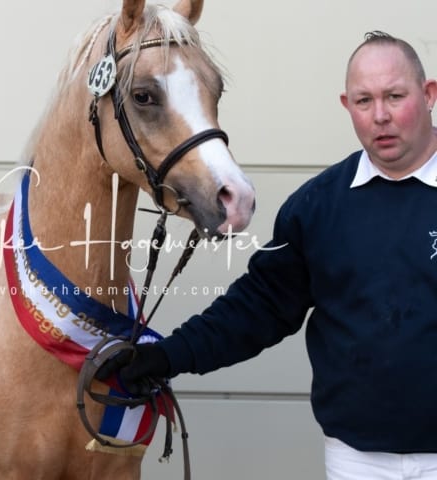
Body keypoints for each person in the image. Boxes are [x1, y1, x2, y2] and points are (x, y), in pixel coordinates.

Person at [98, 31, 437, 479]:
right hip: (358, 461)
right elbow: (258, 308)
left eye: (395, 96)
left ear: (429, 94)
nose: (380, 116)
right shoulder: (317, 208)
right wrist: (168, 356)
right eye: (363, 101)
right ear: (346, 104)